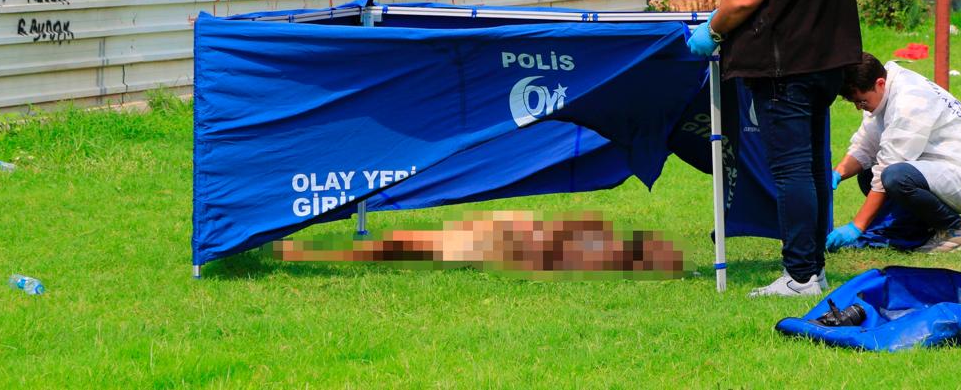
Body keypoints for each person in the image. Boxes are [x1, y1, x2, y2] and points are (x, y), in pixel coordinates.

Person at [685, 0, 862, 297]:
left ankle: (801, 275)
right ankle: (815, 269)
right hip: (828, 60)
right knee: (812, 167)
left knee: (791, 171)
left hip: (787, 66)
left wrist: (712, 31)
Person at [826, 52, 961, 253]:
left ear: (880, 83)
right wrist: (836, 174)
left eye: (861, 102)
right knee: (868, 173)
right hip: (936, 168)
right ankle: (921, 229)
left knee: (894, 177)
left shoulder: (909, 100)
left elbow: (887, 170)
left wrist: (857, 226)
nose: (858, 108)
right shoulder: (885, 89)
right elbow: (866, 146)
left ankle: (956, 229)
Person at [273, 211, 684, 274]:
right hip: (490, 236)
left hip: (483, 242)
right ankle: (295, 249)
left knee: (394, 247)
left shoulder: (592, 253)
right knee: (396, 245)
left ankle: (298, 250)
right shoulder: (595, 241)